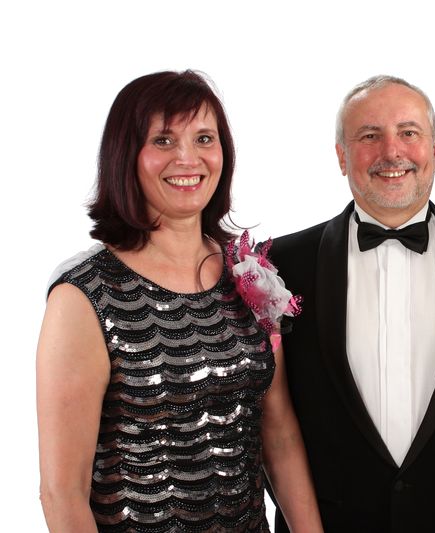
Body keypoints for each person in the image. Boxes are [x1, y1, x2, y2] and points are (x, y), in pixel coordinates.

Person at [36, 70, 323, 532]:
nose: (188, 158)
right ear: (126, 155)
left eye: (204, 138)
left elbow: (280, 435)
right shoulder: (82, 295)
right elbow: (61, 492)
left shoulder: (250, 273)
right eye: (163, 140)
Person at [268, 75, 435, 533]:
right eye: (369, 136)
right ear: (341, 156)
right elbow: (270, 423)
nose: (391, 152)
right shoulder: (280, 265)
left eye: (408, 132)